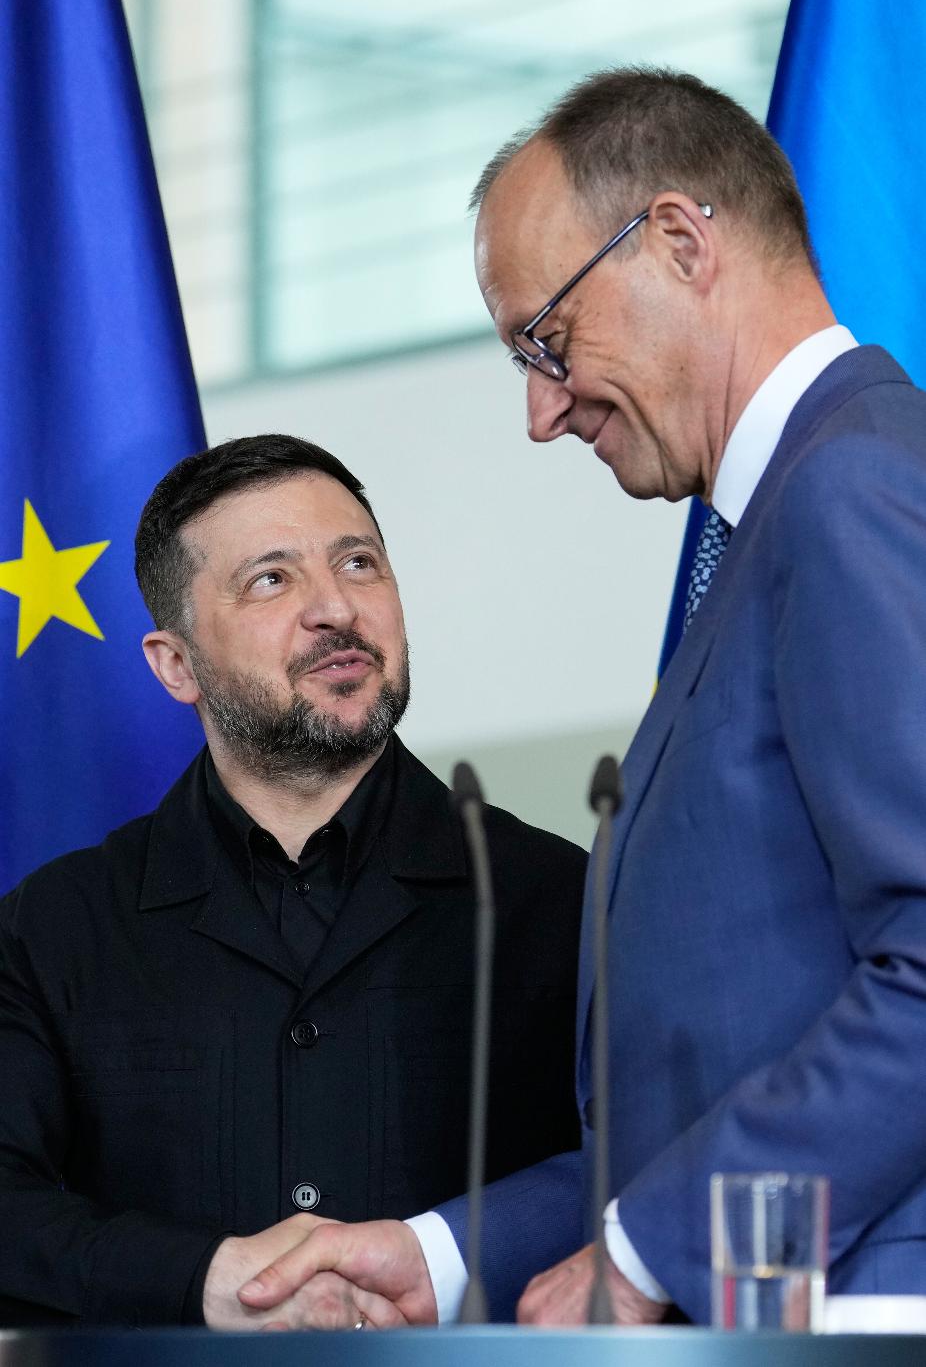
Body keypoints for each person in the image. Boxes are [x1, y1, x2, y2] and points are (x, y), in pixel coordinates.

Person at [233, 67, 926, 1328]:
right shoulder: (777, 524)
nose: (543, 413)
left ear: (676, 240)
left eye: (545, 340)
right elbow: (717, 1077)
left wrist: (650, 1258)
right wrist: (444, 1256)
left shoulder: (853, 492)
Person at [0, 433, 586, 1328]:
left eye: (359, 563)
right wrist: (200, 1277)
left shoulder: (561, 897)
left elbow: (652, 1181)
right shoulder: (52, 927)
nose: (334, 608)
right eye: (271, 579)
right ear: (175, 664)